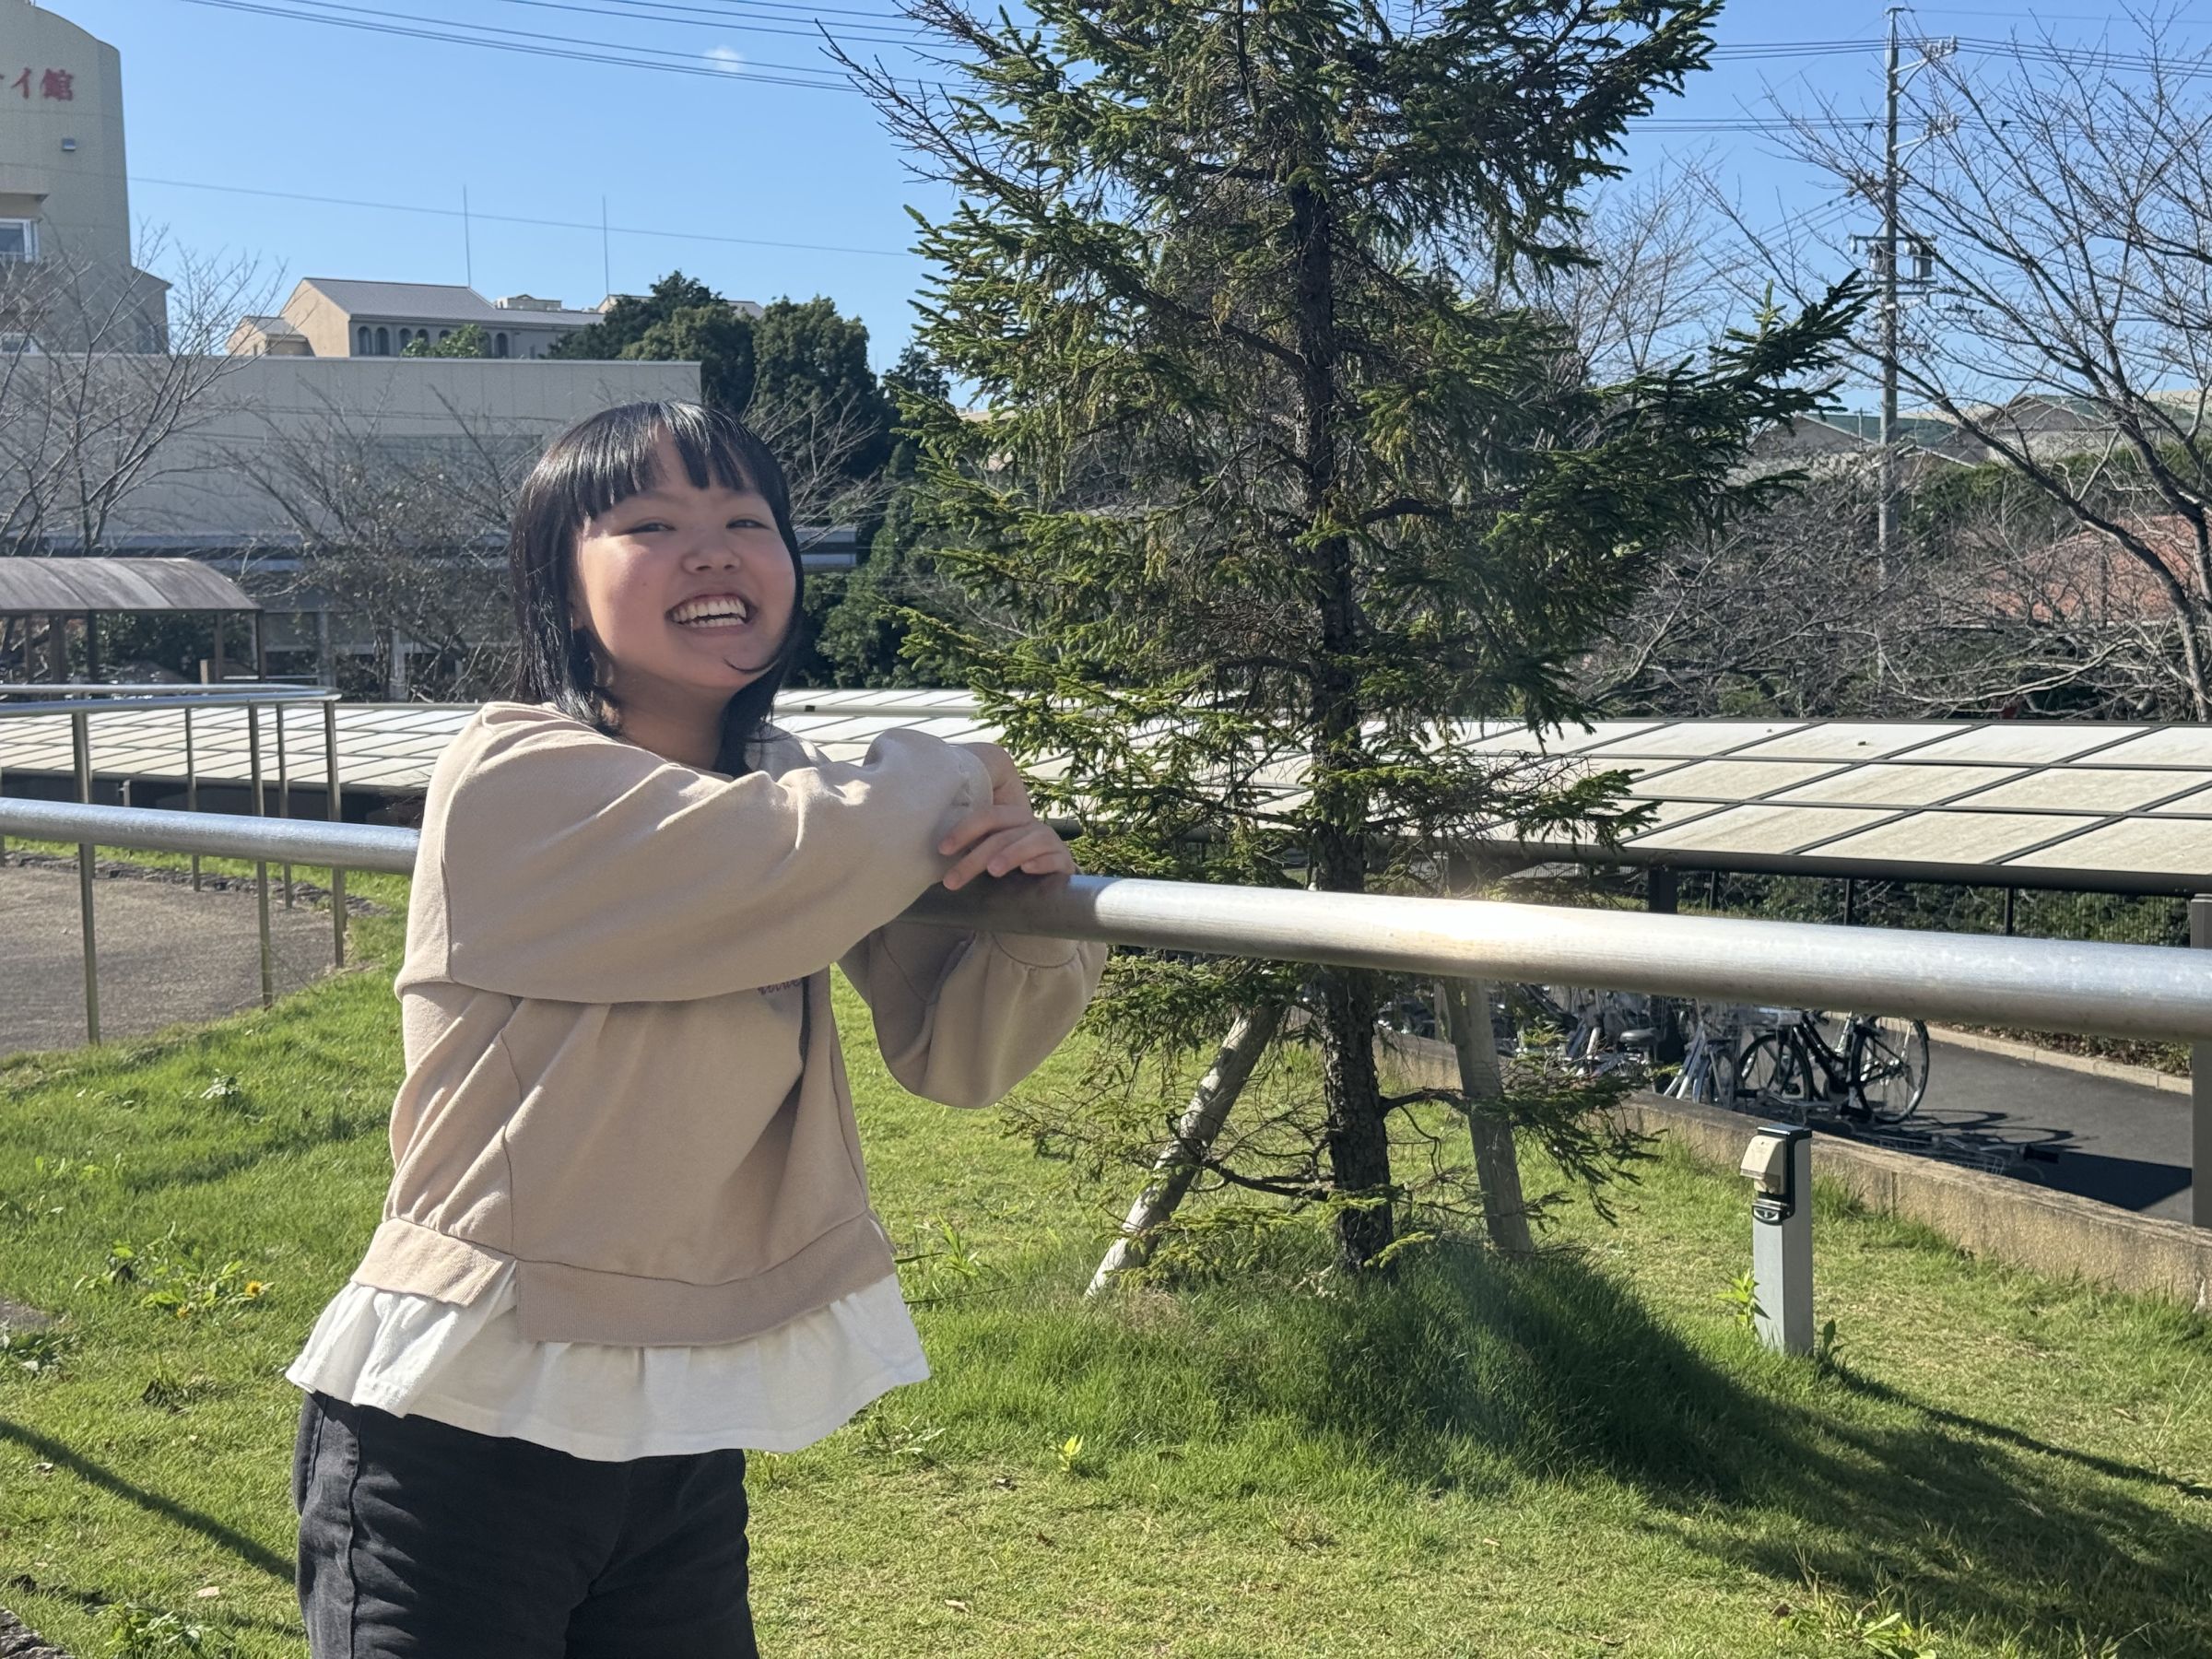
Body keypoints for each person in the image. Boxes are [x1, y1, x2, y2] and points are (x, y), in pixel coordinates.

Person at [286, 399, 1107, 1656]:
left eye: (745, 522)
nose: (714, 552)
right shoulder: (517, 778)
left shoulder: (799, 802)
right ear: (559, 586)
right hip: (459, 1420)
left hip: (675, 1427)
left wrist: (1026, 904)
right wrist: (954, 775)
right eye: (651, 524)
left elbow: (961, 1055)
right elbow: (785, 865)